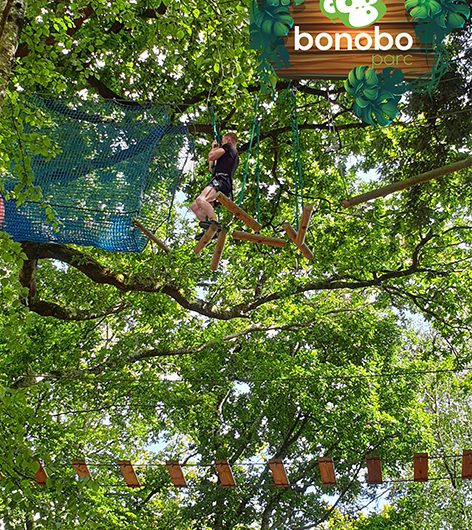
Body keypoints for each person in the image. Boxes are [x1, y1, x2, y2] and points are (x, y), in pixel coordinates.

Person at [190, 132, 239, 234]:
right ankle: (209, 229)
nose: (222, 143)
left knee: (201, 199)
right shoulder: (232, 155)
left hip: (221, 180)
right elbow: (211, 168)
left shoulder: (228, 147)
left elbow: (212, 156)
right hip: (221, 181)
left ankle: (214, 223)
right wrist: (214, 151)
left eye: (223, 140)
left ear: (228, 140)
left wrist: (213, 148)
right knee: (194, 207)